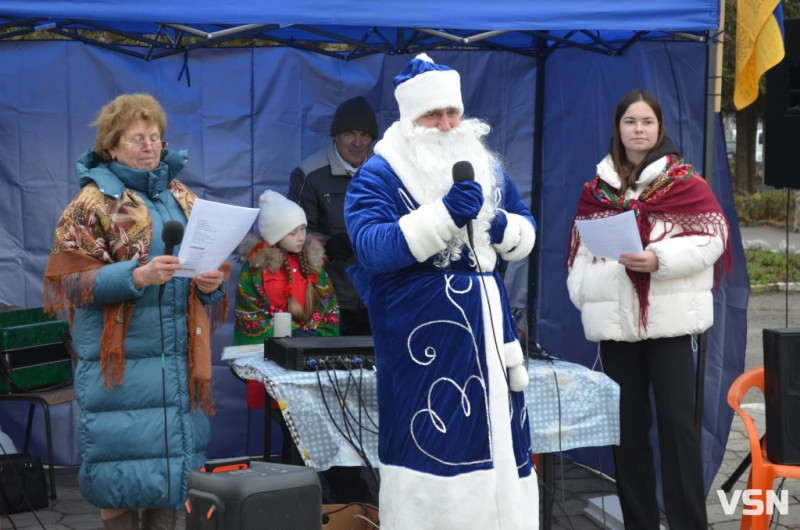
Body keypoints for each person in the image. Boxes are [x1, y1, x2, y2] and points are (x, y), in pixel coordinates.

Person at [344, 53, 539, 530]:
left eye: (452, 112)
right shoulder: (381, 173)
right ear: (411, 119)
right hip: (424, 346)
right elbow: (372, 247)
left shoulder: (485, 167)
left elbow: (526, 228)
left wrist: (498, 225)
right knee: (436, 452)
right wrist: (443, 216)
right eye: (434, 114)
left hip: (491, 345)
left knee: (500, 449)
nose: (447, 124)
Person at [43, 93, 227, 530]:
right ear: (111, 145)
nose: (150, 146)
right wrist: (136, 277)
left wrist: (209, 285)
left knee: (171, 475)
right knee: (121, 472)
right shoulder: (90, 204)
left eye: (156, 138)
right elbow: (70, 282)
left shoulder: (181, 195)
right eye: (138, 139)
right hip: (122, 365)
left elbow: (206, 263)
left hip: (178, 361)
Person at [566, 89, 732, 529]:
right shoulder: (597, 189)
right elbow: (580, 250)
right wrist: (582, 291)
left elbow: (712, 241)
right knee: (627, 436)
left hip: (671, 327)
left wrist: (660, 260)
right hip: (616, 329)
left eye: (646, 122)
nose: (638, 130)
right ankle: (639, 523)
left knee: (679, 432)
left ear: (659, 129)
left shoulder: (685, 184)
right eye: (630, 122)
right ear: (618, 129)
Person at [233, 189, 340, 410]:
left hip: (311, 363)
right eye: (292, 232)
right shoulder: (254, 271)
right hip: (274, 361)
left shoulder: (314, 267)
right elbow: (249, 316)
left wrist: (314, 336)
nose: (301, 237)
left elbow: (330, 309)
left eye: (303, 229)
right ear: (274, 235)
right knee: (284, 421)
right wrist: (287, 337)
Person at [288, 96, 378, 336]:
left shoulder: (385, 173)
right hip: (328, 300)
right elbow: (290, 236)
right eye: (349, 134)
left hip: (377, 300)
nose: (358, 143)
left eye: (365, 135)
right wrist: (327, 246)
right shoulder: (309, 174)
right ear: (335, 135)